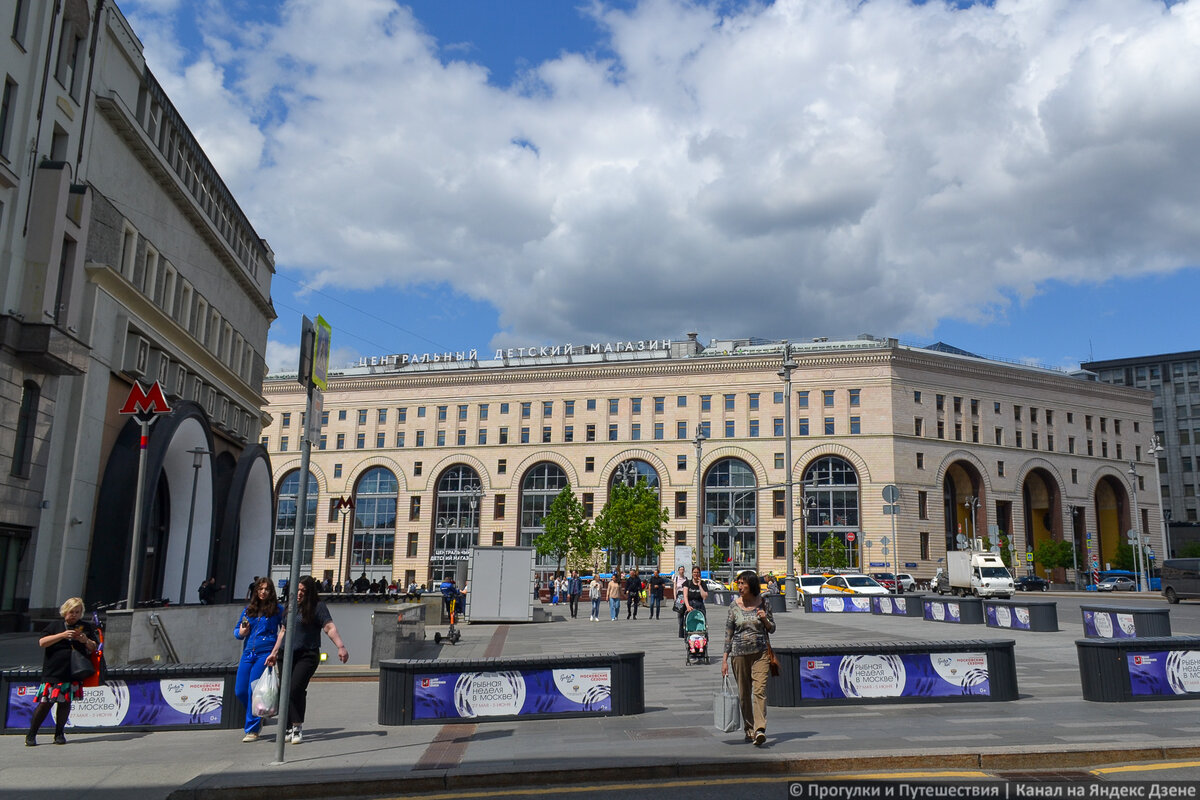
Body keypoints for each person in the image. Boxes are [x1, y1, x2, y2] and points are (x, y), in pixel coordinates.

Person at [283, 576, 349, 744]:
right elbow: (283, 630)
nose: (298, 594)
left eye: (303, 591)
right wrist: (274, 651)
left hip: (307, 654)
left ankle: (296, 726)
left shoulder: (317, 607)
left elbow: (329, 627)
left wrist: (340, 646)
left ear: (310, 592)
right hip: (286, 654)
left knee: (295, 689)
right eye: (296, 590)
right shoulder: (290, 606)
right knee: (285, 691)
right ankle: (288, 725)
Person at [25, 597, 98, 746]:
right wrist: (62, 635)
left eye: (78, 612)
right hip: (53, 671)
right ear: (65, 611)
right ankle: (31, 734)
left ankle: (59, 734)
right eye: (72, 612)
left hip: (73, 671)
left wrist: (85, 640)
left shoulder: (85, 627)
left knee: (65, 703)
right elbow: (42, 642)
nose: (74, 615)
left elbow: (94, 647)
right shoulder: (55, 625)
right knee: (46, 703)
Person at [721, 571, 776, 747]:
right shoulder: (733, 606)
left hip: (760, 653)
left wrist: (765, 619)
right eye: (738, 583)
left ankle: (760, 729)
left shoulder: (764, 603)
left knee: (759, 691)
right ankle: (749, 727)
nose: (739, 586)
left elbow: (772, 628)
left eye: (743, 584)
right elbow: (728, 633)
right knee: (744, 694)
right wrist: (724, 660)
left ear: (751, 585)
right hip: (738, 654)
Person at [234, 578, 285, 742]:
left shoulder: (277, 610)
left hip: (265, 654)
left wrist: (275, 651)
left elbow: (284, 629)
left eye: (267, 589)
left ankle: (252, 729)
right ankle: (259, 713)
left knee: (254, 690)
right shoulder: (248, 610)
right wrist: (241, 632)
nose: (263, 592)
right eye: (260, 589)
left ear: (271, 592)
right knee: (240, 690)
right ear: (256, 591)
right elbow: (237, 631)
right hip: (248, 652)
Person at [679, 566, 708, 639]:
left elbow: (704, 596)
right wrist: (688, 606)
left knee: (701, 624)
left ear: (700, 574)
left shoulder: (703, 584)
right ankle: (688, 638)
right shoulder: (687, 583)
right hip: (690, 605)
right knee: (689, 624)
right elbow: (685, 596)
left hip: (700, 606)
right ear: (692, 573)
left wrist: (699, 585)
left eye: (697, 572)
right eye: (694, 572)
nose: (696, 574)